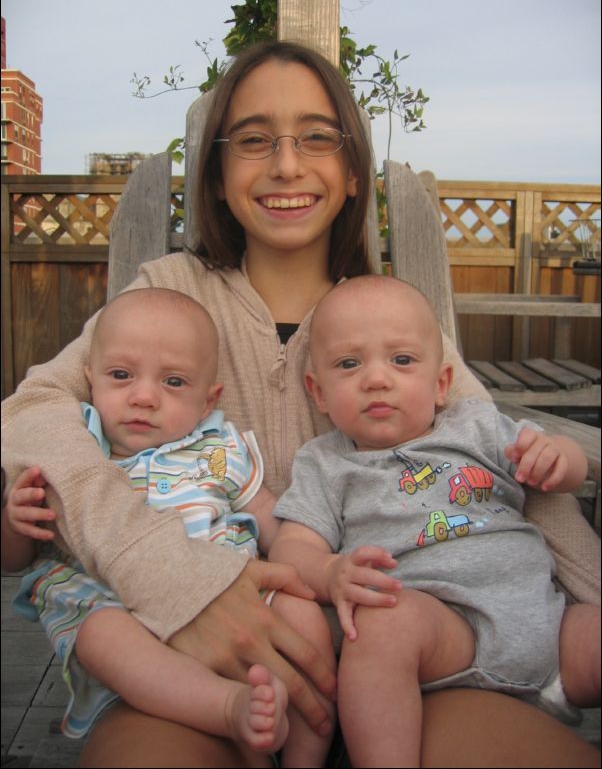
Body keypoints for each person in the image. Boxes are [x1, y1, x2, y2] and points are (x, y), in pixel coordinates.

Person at [1, 40, 599, 768]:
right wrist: (171, 578)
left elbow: (510, 467)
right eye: (254, 140)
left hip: (420, 660)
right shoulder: (168, 295)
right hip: (200, 668)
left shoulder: (388, 322)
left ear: (353, 173)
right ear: (217, 174)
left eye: (317, 137)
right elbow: (32, 412)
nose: (286, 164)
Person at [269, 274, 601, 767]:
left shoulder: (478, 426)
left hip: (551, 627)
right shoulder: (325, 463)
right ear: (318, 392)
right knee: (382, 629)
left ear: (441, 383)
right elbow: (293, 547)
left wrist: (556, 457)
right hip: (443, 635)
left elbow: (569, 469)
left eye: (402, 360)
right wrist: (329, 571)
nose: (376, 379)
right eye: (349, 364)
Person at [2, 287, 335, 766]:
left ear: (208, 400)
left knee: (302, 616)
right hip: (117, 604)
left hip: (234, 593)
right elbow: (14, 560)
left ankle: (303, 758)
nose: (143, 397)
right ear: (89, 378)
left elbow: (270, 518)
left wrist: (317, 569)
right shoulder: (77, 445)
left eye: (174, 382)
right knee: (100, 634)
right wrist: (14, 523)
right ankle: (226, 707)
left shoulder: (217, 449)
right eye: (121, 375)